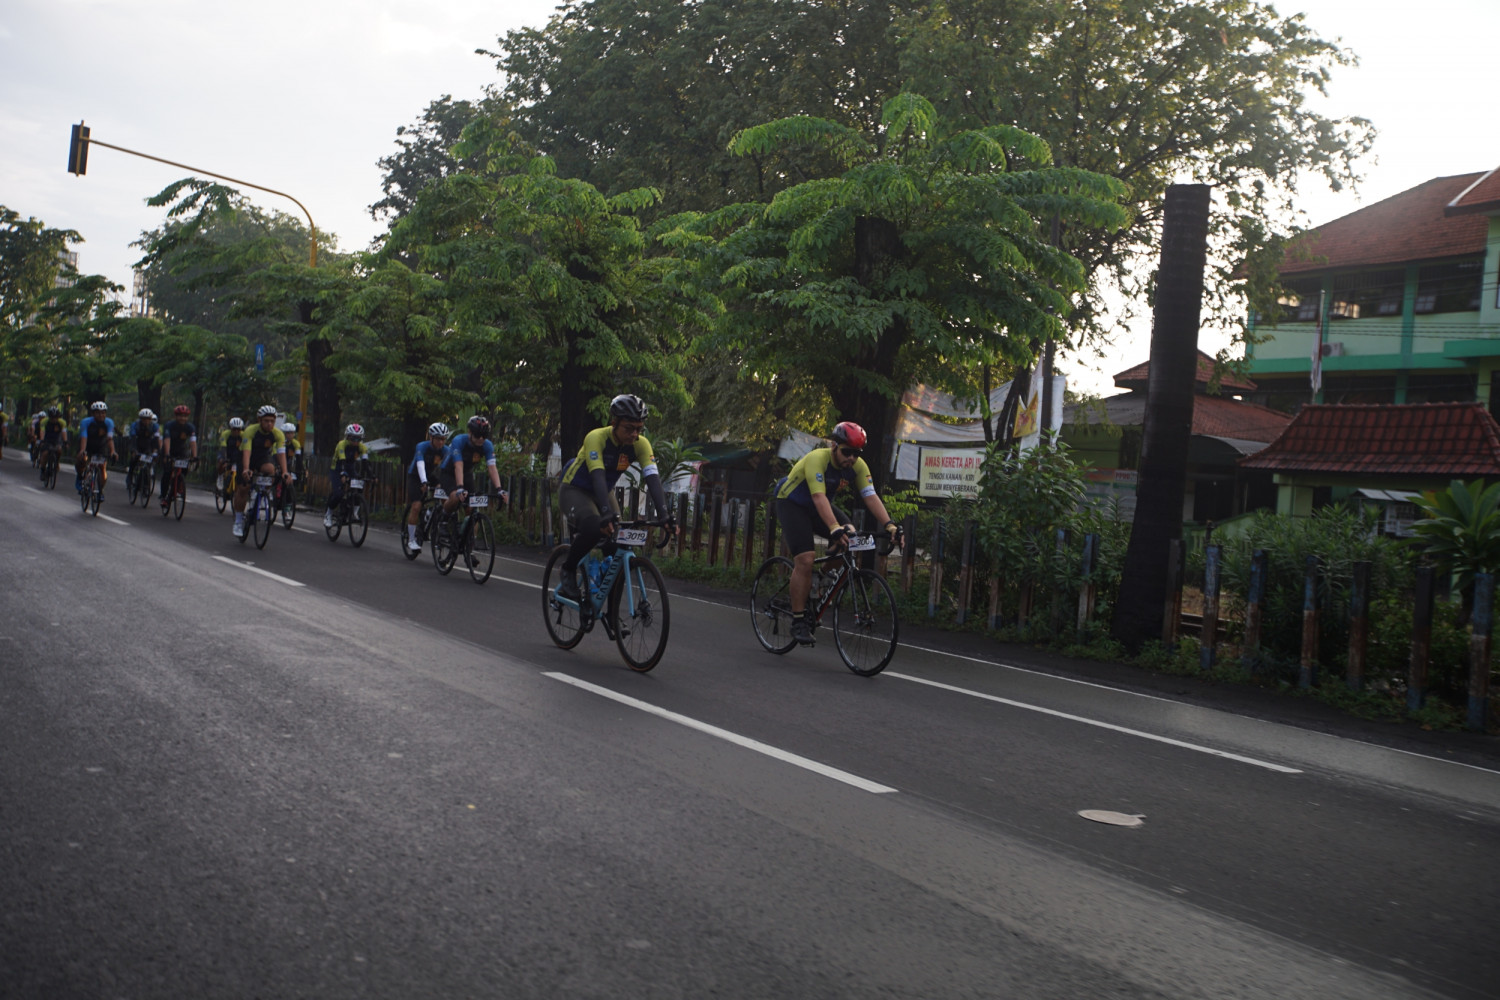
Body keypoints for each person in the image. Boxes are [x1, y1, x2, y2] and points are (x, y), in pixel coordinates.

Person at [773, 421, 902, 645]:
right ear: (834, 446)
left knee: (851, 537)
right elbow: (818, 497)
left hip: (818, 506)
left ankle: (820, 579)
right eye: (847, 452)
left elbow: (870, 496)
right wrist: (833, 528)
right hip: (792, 503)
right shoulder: (817, 459)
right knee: (806, 558)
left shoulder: (858, 466)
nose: (851, 458)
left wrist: (890, 525)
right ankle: (798, 621)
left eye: (856, 453)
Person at [554, 394, 673, 602]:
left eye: (639, 429)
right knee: (594, 526)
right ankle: (568, 569)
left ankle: (610, 612)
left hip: (603, 491)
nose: (634, 434)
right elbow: (597, 476)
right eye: (629, 428)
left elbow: (653, 479)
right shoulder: (596, 437)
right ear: (614, 422)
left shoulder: (641, 444)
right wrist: (605, 512)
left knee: (617, 544)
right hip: (575, 489)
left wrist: (664, 515)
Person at [232, 405, 290, 538]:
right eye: (266, 421)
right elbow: (247, 452)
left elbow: (281, 454)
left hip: (262, 457)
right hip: (246, 457)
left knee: (271, 469)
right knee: (243, 488)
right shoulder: (250, 431)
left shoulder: (278, 434)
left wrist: (285, 472)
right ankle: (238, 521)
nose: (269, 424)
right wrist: (246, 469)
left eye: (272, 421)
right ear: (259, 420)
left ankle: (263, 493)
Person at [403, 422, 450, 553]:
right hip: (415, 476)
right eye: (438, 439)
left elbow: (448, 469)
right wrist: (424, 482)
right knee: (416, 506)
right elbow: (420, 464)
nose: (441, 442)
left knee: (444, 498)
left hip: (430, 475)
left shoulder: (446, 450)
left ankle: (431, 515)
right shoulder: (422, 446)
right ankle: (411, 539)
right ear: (431, 437)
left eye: (443, 439)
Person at [324, 423, 372, 528]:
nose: (356, 441)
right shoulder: (341, 444)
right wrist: (342, 473)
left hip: (350, 468)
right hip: (337, 468)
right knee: (338, 494)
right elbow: (342, 461)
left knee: (359, 487)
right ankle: (328, 514)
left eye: (358, 439)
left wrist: (372, 476)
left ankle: (354, 512)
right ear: (348, 437)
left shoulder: (362, 447)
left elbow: (365, 463)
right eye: (353, 438)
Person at [75, 401, 116, 495]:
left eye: (103, 413)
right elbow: (84, 437)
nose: (101, 415)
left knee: (102, 467)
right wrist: (82, 451)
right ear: (93, 414)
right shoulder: (86, 422)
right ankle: (80, 476)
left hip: (101, 445)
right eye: (98, 413)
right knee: (82, 459)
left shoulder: (109, 422)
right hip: (87, 443)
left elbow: (110, 439)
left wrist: (113, 451)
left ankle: (101, 491)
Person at [160, 405, 199, 505]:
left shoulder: (190, 427)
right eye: (180, 416)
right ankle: (163, 496)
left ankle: (179, 483)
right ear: (176, 416)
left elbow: (193, 442)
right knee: (167, 472)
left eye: (185, 416)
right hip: (169, 449)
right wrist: (167, 454)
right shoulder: (169, 425)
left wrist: (195, 456)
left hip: (181, 450)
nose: (183, 418)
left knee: (185, 467)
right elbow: (167, 440)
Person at [125, 408, 161, 486]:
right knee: (134, 459)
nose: (146, 421)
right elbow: (133, 439)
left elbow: (156, 439)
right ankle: (130, 475)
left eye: (148, 419)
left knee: (150, 460)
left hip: (148, 444)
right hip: (137, 443)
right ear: (140, 419)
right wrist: (134, 450)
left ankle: (147, 476)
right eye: (144, 419)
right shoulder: (135, 425)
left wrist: (156, 451)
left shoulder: (155, 426)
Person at [36, 406, 68, 481]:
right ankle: (43, 470)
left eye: (56, 417)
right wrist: (42, 440)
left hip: (57, 439)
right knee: (45, 454)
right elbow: (42, 431)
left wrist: (65, 441)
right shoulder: (44, 421)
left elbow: (64, 432)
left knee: (59, 450)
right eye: (52, 417)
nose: (54, 419)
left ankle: (57, 462)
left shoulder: (62, 422)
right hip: (47, 439)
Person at [217, 417, 246, 492]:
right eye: (234, 429)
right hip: (226, 451)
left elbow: (246, 449)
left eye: (238, 429)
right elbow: (223, 448)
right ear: (231, 428)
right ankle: (220, 476)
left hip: (237, 453)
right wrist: (224, 459)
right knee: (221, 462)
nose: (236, 431)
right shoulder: (225, 434)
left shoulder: (243, 435)